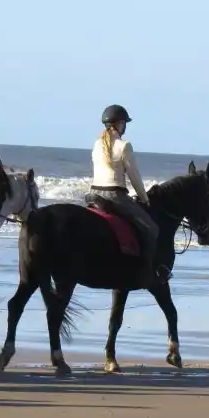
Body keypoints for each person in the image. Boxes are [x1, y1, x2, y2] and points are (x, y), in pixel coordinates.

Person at [89, 104, 168, 286]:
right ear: (121, 123)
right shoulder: (124, 146)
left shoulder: (97, 144)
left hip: (94, 194)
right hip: (114, 196)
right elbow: (134, 177)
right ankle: (147, 271)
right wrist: (144, 198)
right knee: (151, 228)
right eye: (125, 123)